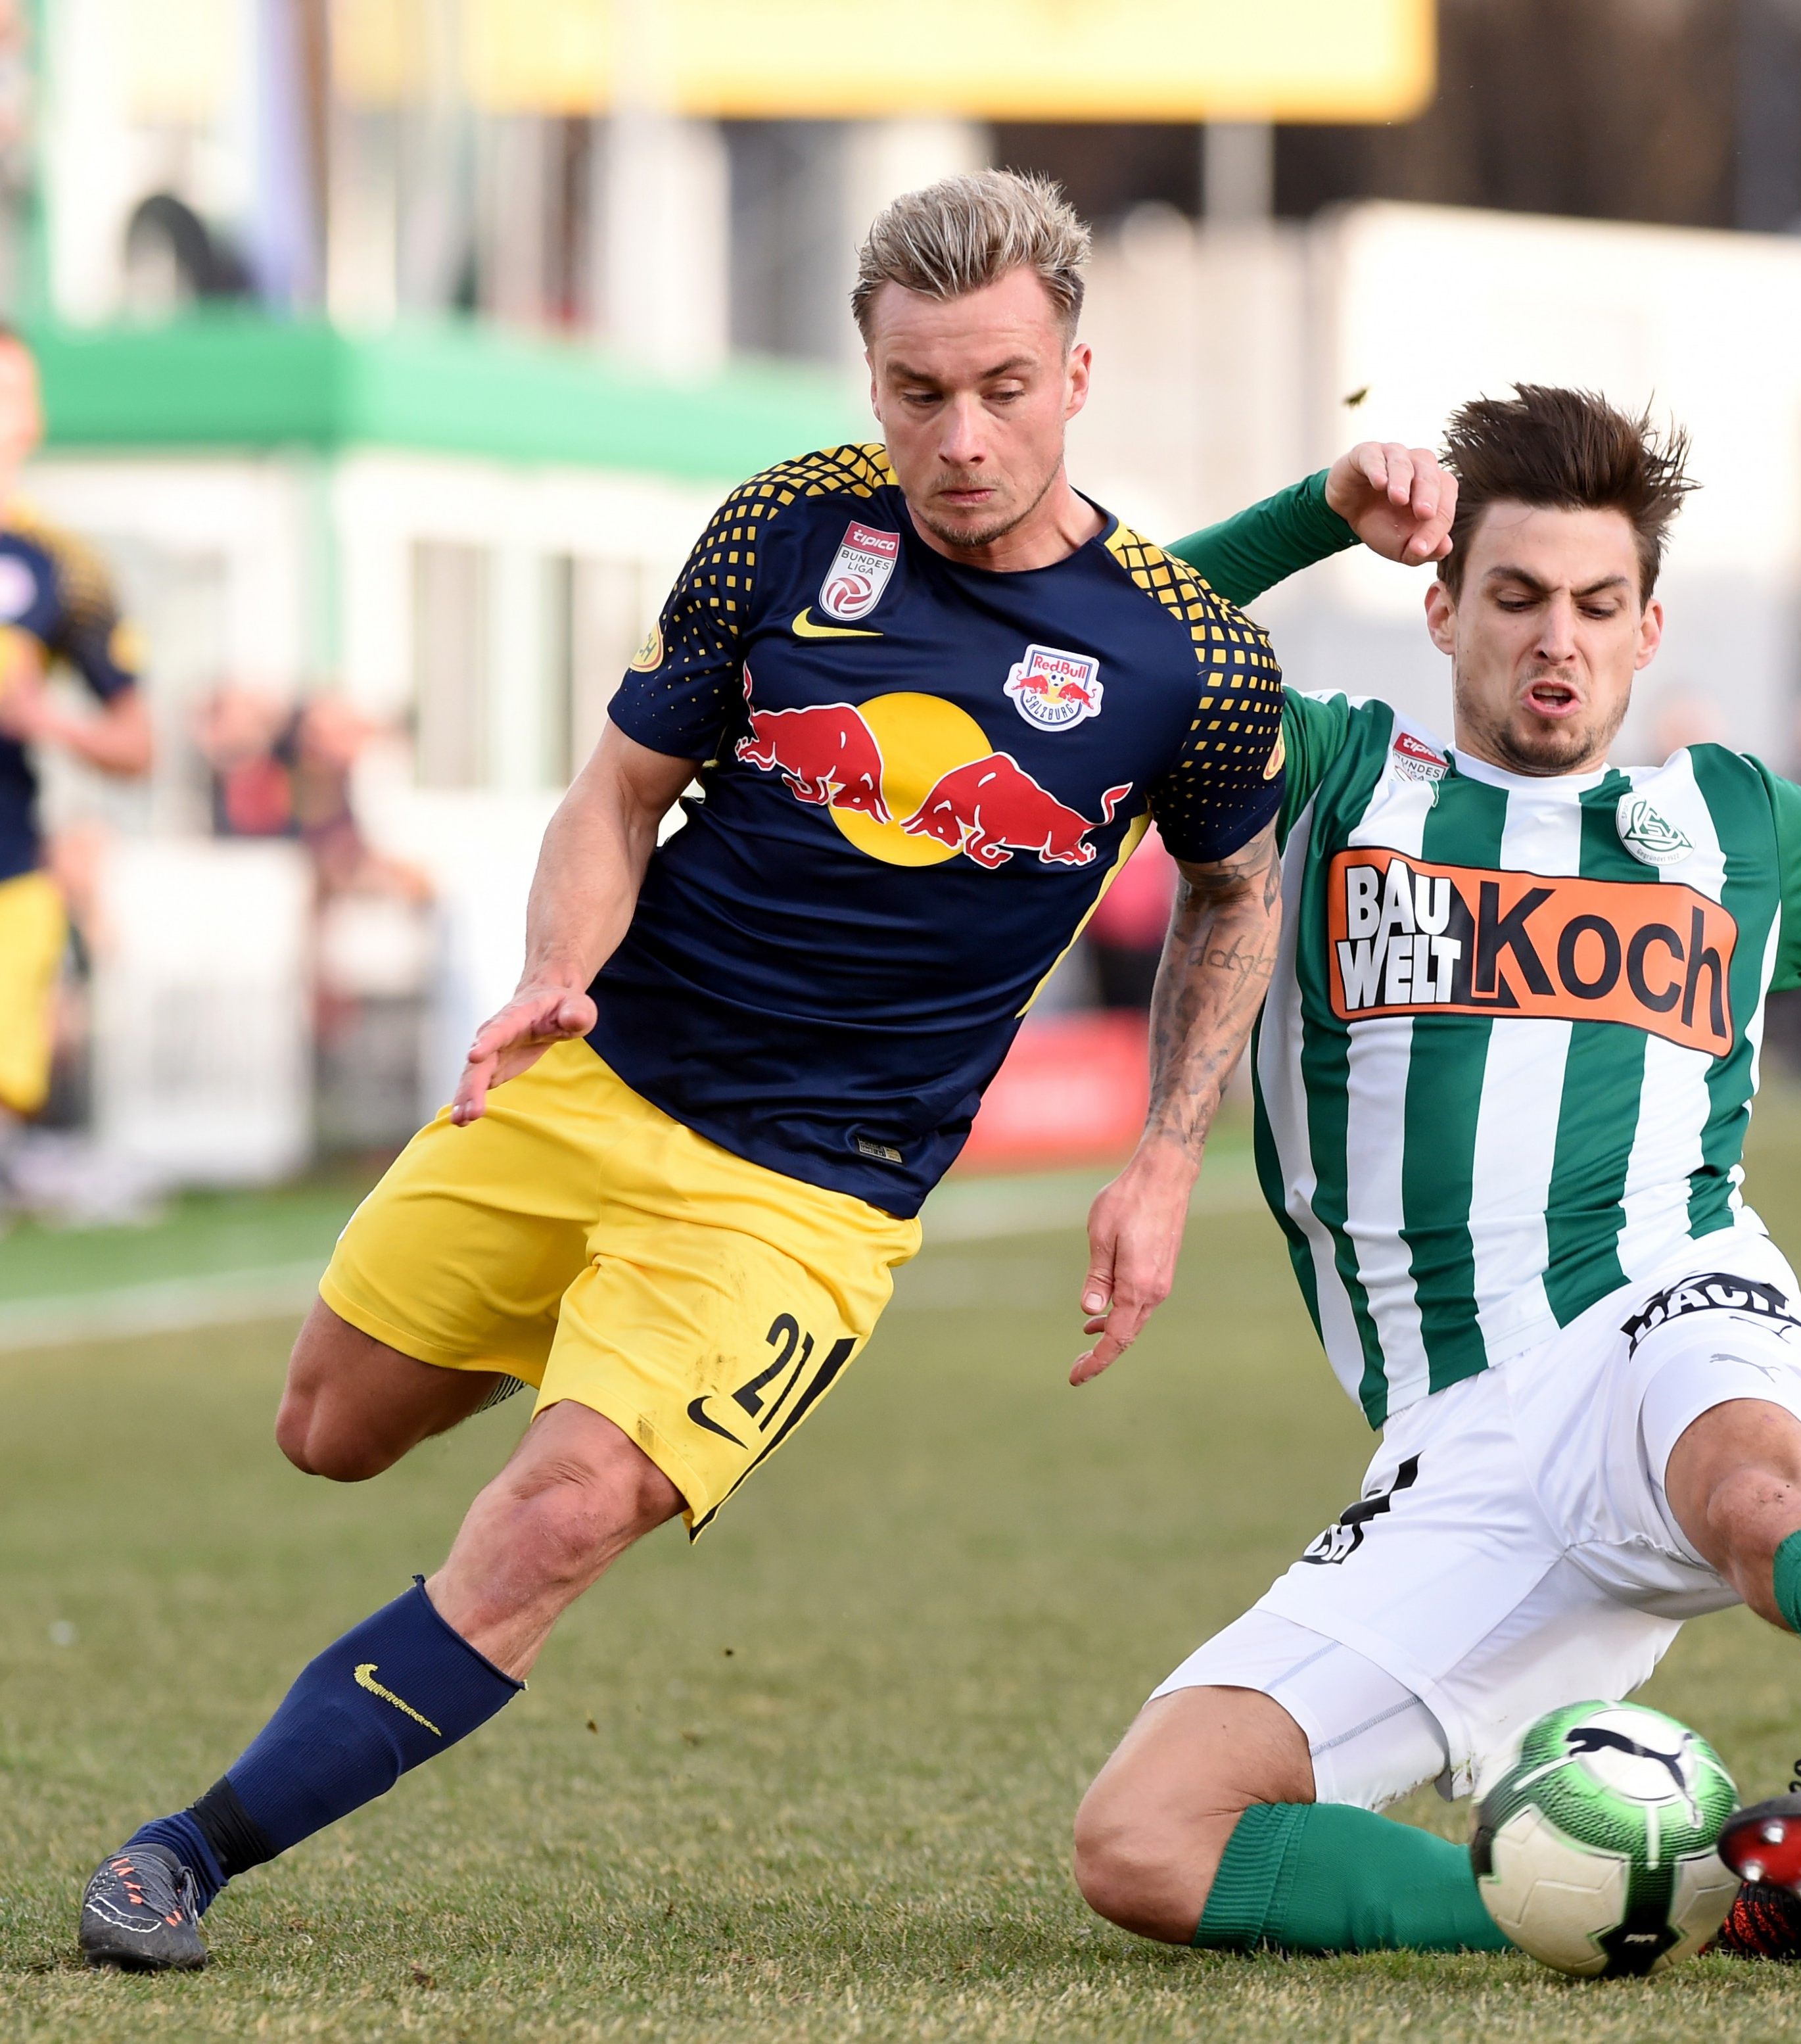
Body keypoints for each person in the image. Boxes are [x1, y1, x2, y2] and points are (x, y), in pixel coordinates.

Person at [76, 170, 1457, 1971]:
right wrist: (550, 976)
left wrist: (1160, 1154)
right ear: (868, 376)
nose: (959, 439)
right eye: (917, 394)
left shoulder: (1187, 655)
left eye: (1002, 390)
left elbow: (1228, 893)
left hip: (807, 1194)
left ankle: (181, 1852)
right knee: (326, 1428)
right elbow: (617, 792)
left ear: (1077, 374)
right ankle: (591, 1345)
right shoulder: (788, 527)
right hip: (598, 1073)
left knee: (552, 1518)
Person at [1073, 385, 1801, 1968]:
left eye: (1598, 606)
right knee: (1143, 1841)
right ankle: (1698, 1903)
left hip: (1670, 1306)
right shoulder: (1328, 776)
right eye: (1516, 597)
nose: (1557, 641)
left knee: (1753, 1470)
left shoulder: (1729, 823)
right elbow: (1100, 652)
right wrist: (1316, 510)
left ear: (1650, 628)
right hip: (1456, 1446)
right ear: (1442, 604)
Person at [0, 327, 152, 1125]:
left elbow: (137, 742)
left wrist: (41, 717)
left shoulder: (61, 566)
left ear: (31, 420)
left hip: (9, 882)